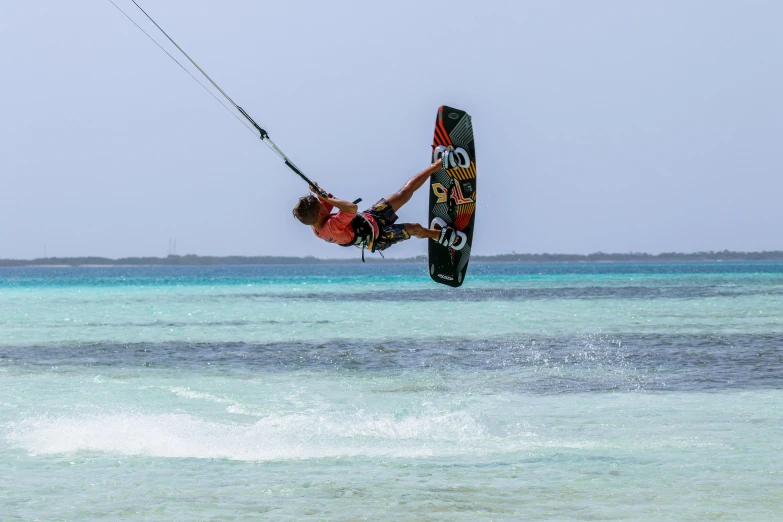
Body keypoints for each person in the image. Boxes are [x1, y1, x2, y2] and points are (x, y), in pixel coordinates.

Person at [292, 152, 465, 255]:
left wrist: (318, 191)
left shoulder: (316, 220)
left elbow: (325, 204)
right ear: (320, 213)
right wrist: (327, 198)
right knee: (415, 228)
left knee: (403, 193)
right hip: (377, 237)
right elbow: (351, 208)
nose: (323, 203)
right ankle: (440, 237)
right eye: (320, 204)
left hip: (370, 218)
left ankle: (439, 164)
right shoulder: (331, 226)